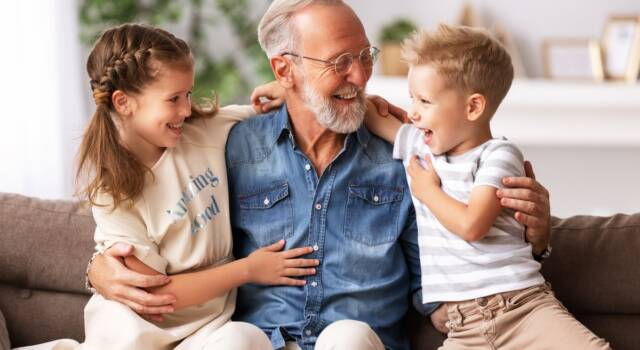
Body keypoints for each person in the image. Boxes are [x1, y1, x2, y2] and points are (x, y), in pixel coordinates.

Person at [87, 2, 552, 349]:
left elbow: (450, 259)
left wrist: (530, 236)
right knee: (233, 342)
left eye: (364, 56)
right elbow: (163, 214)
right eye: (338, 62)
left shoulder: (408, 155)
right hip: (260, 340)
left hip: (358, 344)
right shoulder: (233, 145)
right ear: (283, 69)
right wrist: (99, 266)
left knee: (345, 338)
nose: (360, 75)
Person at [21, 24, 326, 350]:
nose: (185, 109)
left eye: (188, 94)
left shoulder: (205, 132)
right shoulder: (115, 192)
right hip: (135, 331)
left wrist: (289, 89)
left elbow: (271, 111)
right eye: (173, 98)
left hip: (207, 327)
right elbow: (157, 294)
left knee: (247, 341)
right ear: (124, 103)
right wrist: (250, 269)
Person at [366, 24, 610, 349]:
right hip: (463, 328)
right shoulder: (420, 147)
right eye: (412, 98)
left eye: (424, 101)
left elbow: (472, 225)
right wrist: (289, 90)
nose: (412, 112)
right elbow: (365, 113)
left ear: (473, 107)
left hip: (523, 310)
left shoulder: (499, 155)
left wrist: (428, 192)